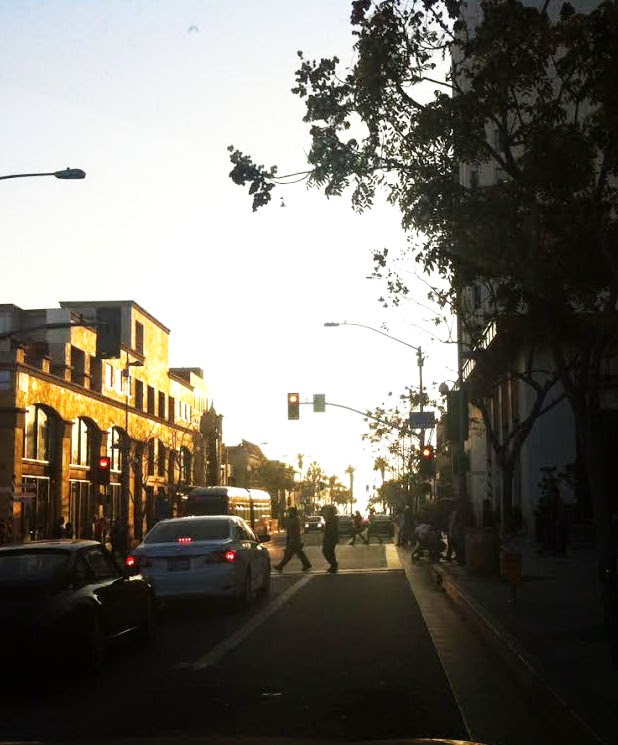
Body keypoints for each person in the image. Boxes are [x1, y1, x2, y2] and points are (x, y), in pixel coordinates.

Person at [273, 507, 311, 573]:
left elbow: (293, 530)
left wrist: (291, 540)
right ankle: (307, 564)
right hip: (294, 540)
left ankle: (280, 566)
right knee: (298, 553)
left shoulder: (294, 520)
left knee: (289, 554)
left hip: (294, 540)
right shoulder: (293, 519)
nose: (289, 513)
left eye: (290, 511)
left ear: (293, 512)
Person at [322, 505, 339, 573]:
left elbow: (332, 531)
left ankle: (334, 564)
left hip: (331, 539)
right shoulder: (329, 520)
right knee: (329, 552)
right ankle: (333, 564)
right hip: (329, 539)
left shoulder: (332, 520)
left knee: (327, 552)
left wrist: (329, 539)